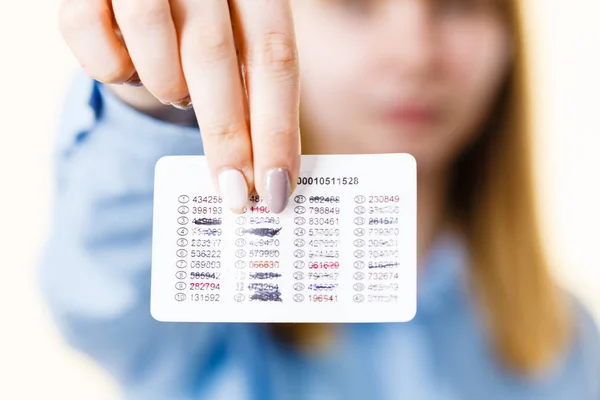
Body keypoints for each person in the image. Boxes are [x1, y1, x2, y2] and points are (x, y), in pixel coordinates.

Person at [41, 0, 599, 398]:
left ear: (508, 43)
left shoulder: (569, 342)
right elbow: (99, 290)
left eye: (458, 5)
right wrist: (150, 89)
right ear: (272, 24)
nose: (415, 55)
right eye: (354, 3)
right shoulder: (203, 310)